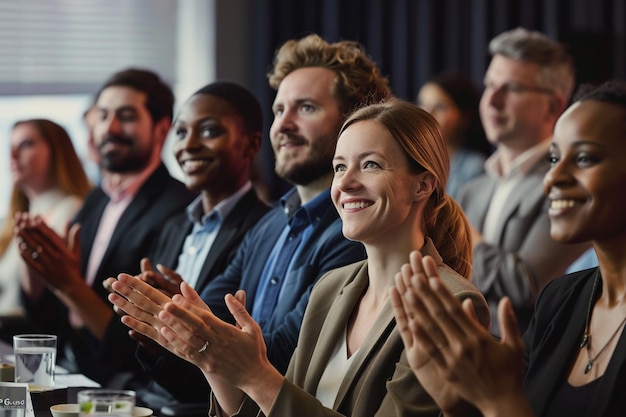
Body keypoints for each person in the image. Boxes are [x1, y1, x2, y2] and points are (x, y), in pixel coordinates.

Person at [111, 99, 490, 417]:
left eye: (370, 164)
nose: (345, 183)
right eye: (340, 166)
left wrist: (256, 374)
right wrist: (214, 362)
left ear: (423, 184)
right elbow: (276, 406)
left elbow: (274, 392)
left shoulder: (454, 305)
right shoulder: (331, 288)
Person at [109, 34, 389, 407]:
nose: (283, 125)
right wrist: (171, 320)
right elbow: (210, 338)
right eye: (278, 111)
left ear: (353, 122)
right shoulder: (269, 225)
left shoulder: (356, 235)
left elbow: (282, 358)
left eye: (305, 108)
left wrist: (190, 329)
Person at [392, 80, 626, 416]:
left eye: (585, 158)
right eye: (555, 158)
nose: (552, 178)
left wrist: (497, 400)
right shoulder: (559, 300)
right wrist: (460, 404)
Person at [14, 68, 196, 388]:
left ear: (161, 128)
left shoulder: (179, 207)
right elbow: (51, 318)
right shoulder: (95, 200)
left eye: (125, 116)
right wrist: (37, 268)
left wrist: (68, 284)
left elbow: (142, 342)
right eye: (103, 115)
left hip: (126, 388)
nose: (109, 128)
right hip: (71, 369)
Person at [128, 81, 271, 408]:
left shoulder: (263, 229)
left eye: (208, 131)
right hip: (151, 394)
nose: (188, 145)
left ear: (250, 144)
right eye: (180, 133)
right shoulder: (174, 224)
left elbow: (229, 356)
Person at [458, 27, 589, 336]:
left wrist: (463, 231)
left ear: (553, 106)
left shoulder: (569, 185)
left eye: (512, 88)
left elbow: (525, 285)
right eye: (489, 85)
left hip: (524, 368)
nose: (492, 100)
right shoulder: (473, 188)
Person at [0, 119, 91, 339]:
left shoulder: (72, 212)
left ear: (57, 152)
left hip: (29, 339)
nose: (12, 156)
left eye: (26, 144)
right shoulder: (20, 217)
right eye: (10, 147)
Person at [417, 72, 491, 200]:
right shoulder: (410, 159)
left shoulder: (474, 168)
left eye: (440, 106)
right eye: (423, 104)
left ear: (465, 116)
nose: (428, 113)